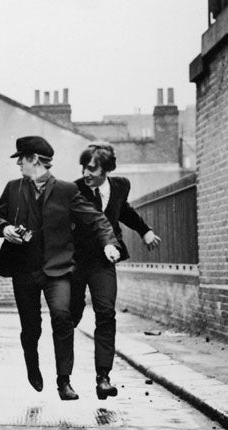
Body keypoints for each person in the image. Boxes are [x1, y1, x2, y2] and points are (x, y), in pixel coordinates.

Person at [0, 136, 120, 401]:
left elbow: (97, 220)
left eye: (21, 159)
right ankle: (32, 362)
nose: (18, 165)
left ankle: (64, 381)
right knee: (31, 327)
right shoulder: (13, 188)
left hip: (57, 270)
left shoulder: (66, 190)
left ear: (34, 160)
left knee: (62, 318)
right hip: (24, 270)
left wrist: (109, 243)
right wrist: (6, 228)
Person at [70, 143, 161, 400]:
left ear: (106, 169)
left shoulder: (120, 186)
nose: (86, 173)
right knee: (71, 314)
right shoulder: (75, 189)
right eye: (83, 168)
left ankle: (103, 378)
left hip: (104, 262)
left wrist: (145, 230)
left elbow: (125, 211)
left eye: (92, 169)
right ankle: (64, 370)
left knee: (106, 314)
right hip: (76, 262)